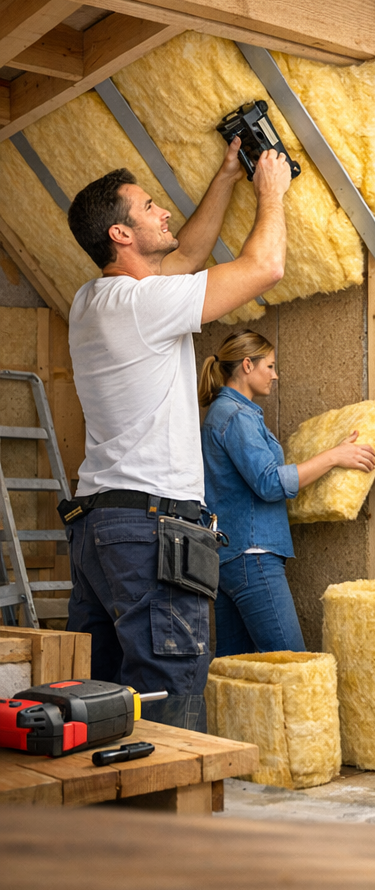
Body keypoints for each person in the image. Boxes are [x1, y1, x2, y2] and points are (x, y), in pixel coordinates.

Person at [62, 138, 293, 730]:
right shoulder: (143, 305)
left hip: (99, 528)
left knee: (103, 704)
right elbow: (265, 267)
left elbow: (185, 254)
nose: (163, 210)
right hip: (150, 530)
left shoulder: (91, 301)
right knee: (169, 698)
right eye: (148, 207)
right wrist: (271, 191)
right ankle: (170, 796)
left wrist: (226, 175)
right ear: (120, 234)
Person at [198, 330, 375, 656]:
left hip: (232, 557)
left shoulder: (227, 413)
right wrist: (334, 457)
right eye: (270, 366)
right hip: (252, 556)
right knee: (293, 665)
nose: (275, 374)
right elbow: (269, 483)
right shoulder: (236, 416)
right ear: (247, 365)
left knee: (237, 671)